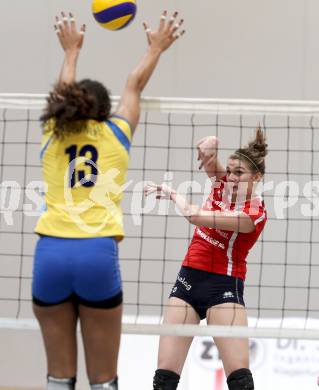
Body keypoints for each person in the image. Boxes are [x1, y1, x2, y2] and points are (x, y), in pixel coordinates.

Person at [32, 10, 185, 390]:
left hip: (50, 252)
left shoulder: (53, 132)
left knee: (58, 376)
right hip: (96, 254)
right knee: (102, 379)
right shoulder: (115, 134)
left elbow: (63, 94)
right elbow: (133, 86)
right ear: (105, 111)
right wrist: (157, 48)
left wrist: (70, 52)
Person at [145, 128, 268, 390]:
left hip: (223, 287)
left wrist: (172, 193)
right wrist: (208, 145)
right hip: (188, 281)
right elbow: (208, 157)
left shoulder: (254, 212)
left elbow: (193, 215)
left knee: (240, 382)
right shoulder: (223, 184)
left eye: (239, 173)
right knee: (163, 380)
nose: (231, 177)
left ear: (256, 177)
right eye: (230, 170)